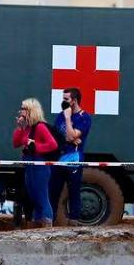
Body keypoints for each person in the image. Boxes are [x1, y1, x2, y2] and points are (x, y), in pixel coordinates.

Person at [49, 88, 92, 226]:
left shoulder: (84, 117)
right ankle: (51, 220)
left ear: (74, 100)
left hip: (74, 159)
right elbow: (57, 136)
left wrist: (68, 119)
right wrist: (70, 137)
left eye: (66, 99)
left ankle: (73, 220)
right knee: (53, 190)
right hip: (59, 159)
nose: (63, 102)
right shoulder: (60, 116)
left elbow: (72, 135)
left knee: (74, 190)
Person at [12, 98, 58, 228]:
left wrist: (36, 147)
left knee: (42, 196)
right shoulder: (27, 128)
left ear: (30, 111)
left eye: (23, 108)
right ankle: (38, 222)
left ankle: (47, 223)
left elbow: (52, 144)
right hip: (29, 165)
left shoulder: (40, 127)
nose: (20, 111)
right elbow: (16, 143)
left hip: (39, 165)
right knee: (33, 195)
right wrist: (20, 128)